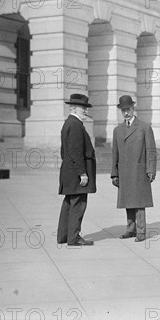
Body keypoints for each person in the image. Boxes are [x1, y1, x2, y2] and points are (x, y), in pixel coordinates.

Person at [111, 95, 157, 242]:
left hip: (139, 170)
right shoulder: (118, 130)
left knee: (139, 202)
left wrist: (151, 169)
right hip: (124, 171)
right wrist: (114, 173)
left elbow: (151, 151)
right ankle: (130, 229)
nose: (126, 113)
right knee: (128, 201)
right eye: (123, 110)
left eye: (128, 109)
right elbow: (114, 153)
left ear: (133, 108)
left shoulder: (144, 127)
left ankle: (141, 232)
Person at [57, 94, 96, 246]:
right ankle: (73, 238)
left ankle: (64, 236)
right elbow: (75, 151)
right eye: (83, 108)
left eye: (86, 108)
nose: (85, 111)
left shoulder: (70, 123)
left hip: (69, 171)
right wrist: (82, 173)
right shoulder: (75, 125)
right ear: (73, 108)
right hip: (76, 173)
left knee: (69, 202)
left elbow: (63, 152)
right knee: (78, 204)